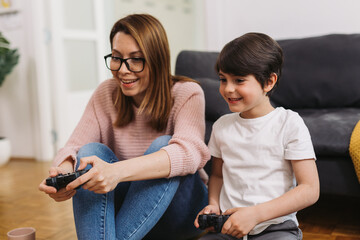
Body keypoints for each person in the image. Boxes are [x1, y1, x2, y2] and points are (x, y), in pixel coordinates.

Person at [39, 14, 210, 240]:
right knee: (91, 152)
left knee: (164, 145)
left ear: (157, 60)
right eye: (116, 57)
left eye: (136, 59)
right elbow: (75, 147)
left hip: (182, 212)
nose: (122, 70)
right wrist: (64, 170)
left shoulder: (187, 92)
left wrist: (117, 172)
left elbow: (190, 153)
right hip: (130, 213)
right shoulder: (106, 93)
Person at [194, 33, 320, 240]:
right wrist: (214, 205)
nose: (228, 89)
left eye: (239, 80)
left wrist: (255, 214)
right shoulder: (221, 127)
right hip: (228, 228)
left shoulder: (289, 123)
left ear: (269, 82)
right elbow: (217, 175)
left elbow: (310, 189)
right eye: (223, 79)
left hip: (276, 228)